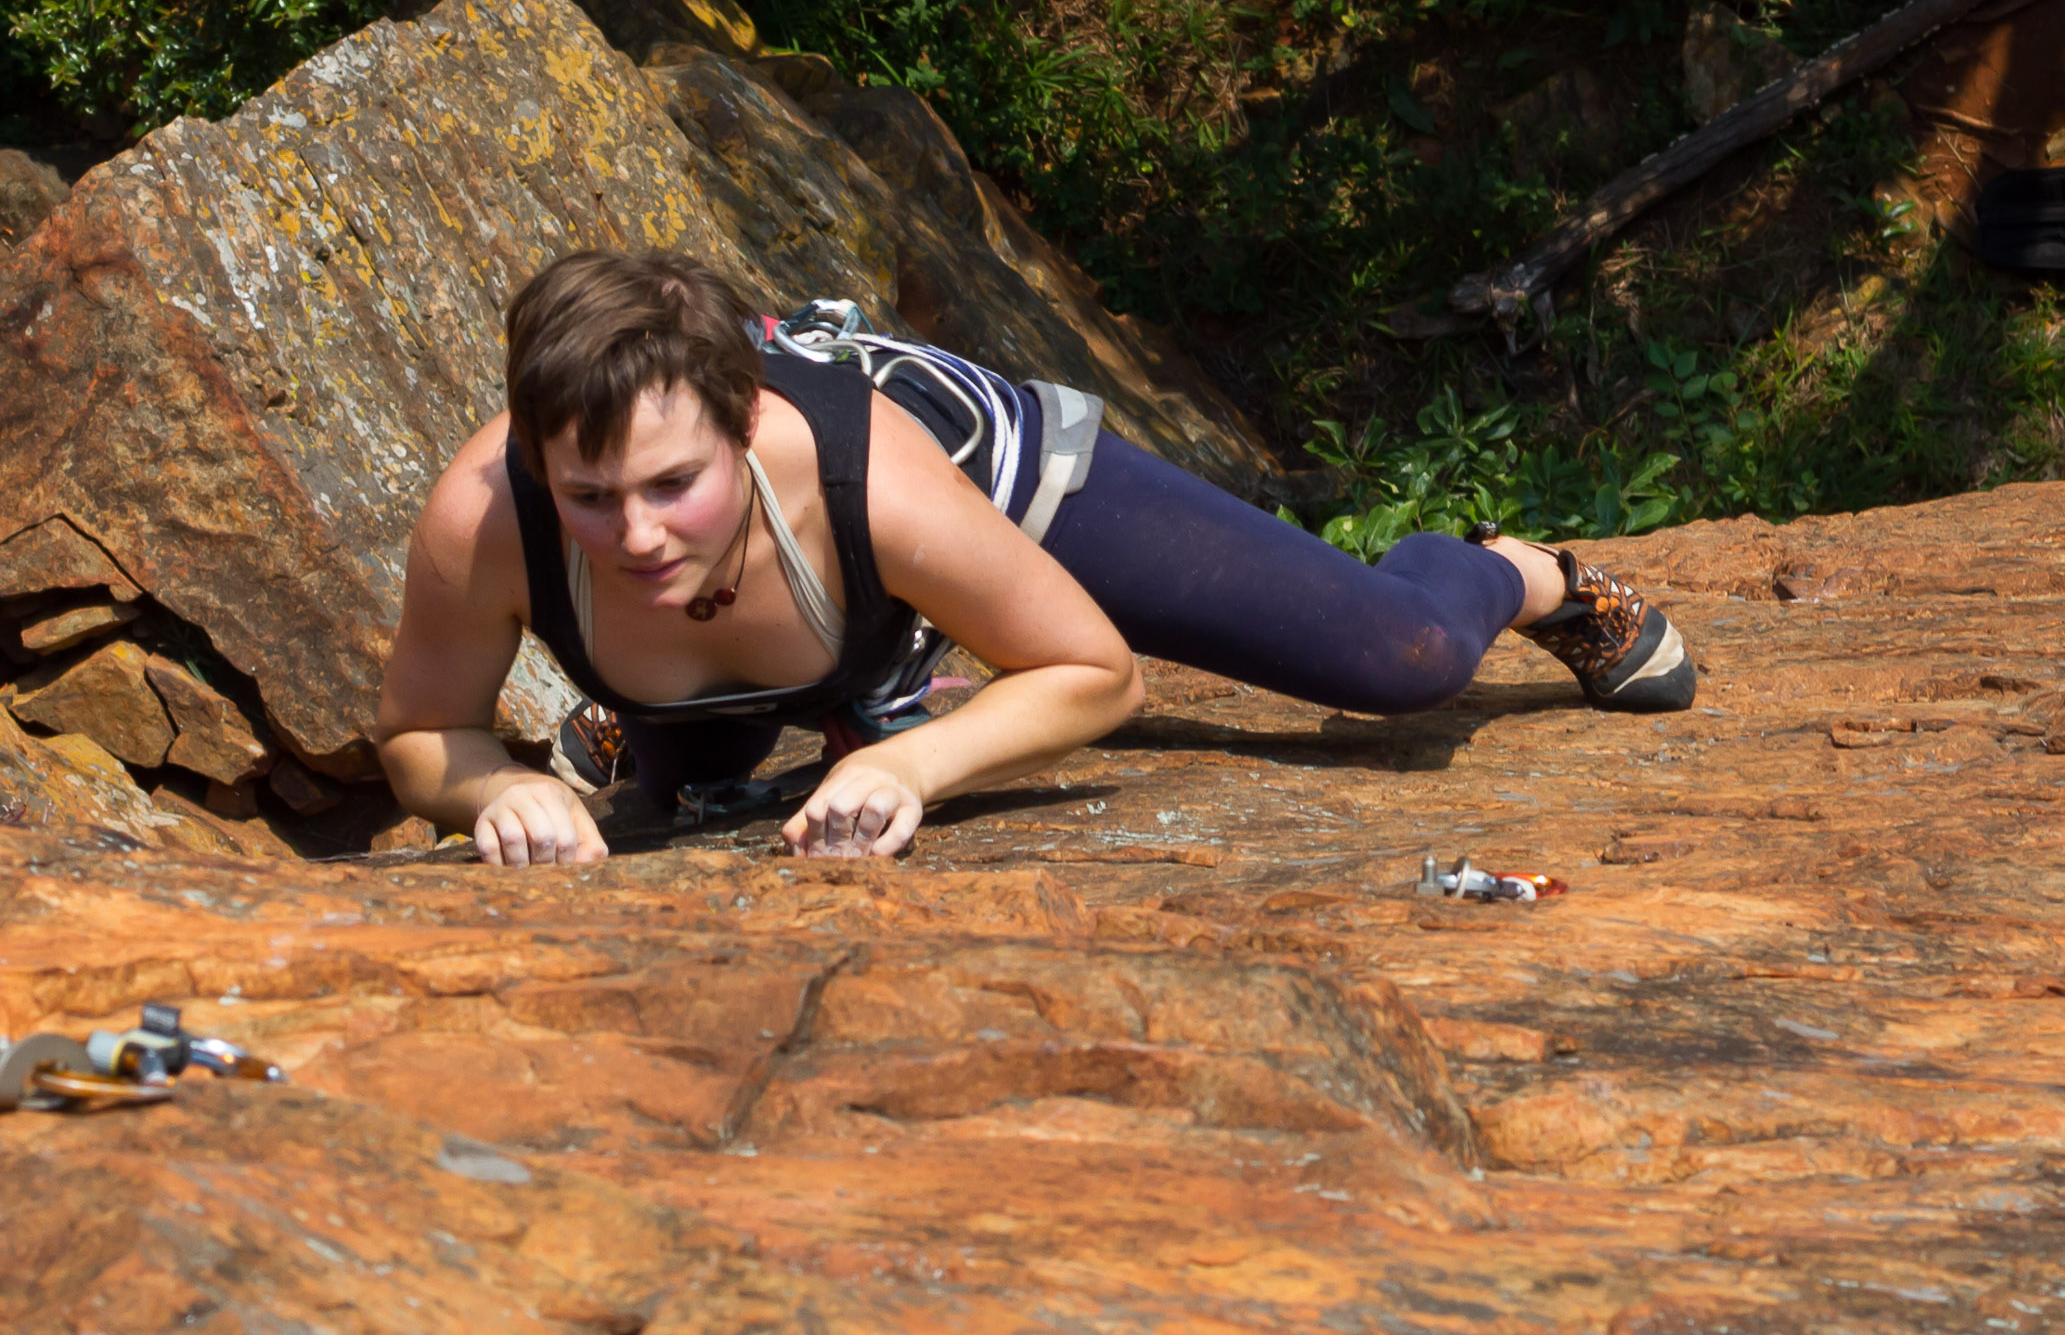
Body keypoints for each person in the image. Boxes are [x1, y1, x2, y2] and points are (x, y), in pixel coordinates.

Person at [375, 250, 1695, 866]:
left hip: (980, 484)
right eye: (590, 498)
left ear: (747, 420)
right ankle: (684, 711)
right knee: (680, 798)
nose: (638, 533)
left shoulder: (869, 475)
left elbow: (1095, 675)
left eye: (672, 485)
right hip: (756, 643)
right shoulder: (486, 515)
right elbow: (423, 731)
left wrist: (914, 762)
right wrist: (490, 792)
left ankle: (1519, 572)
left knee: (1395, 662)